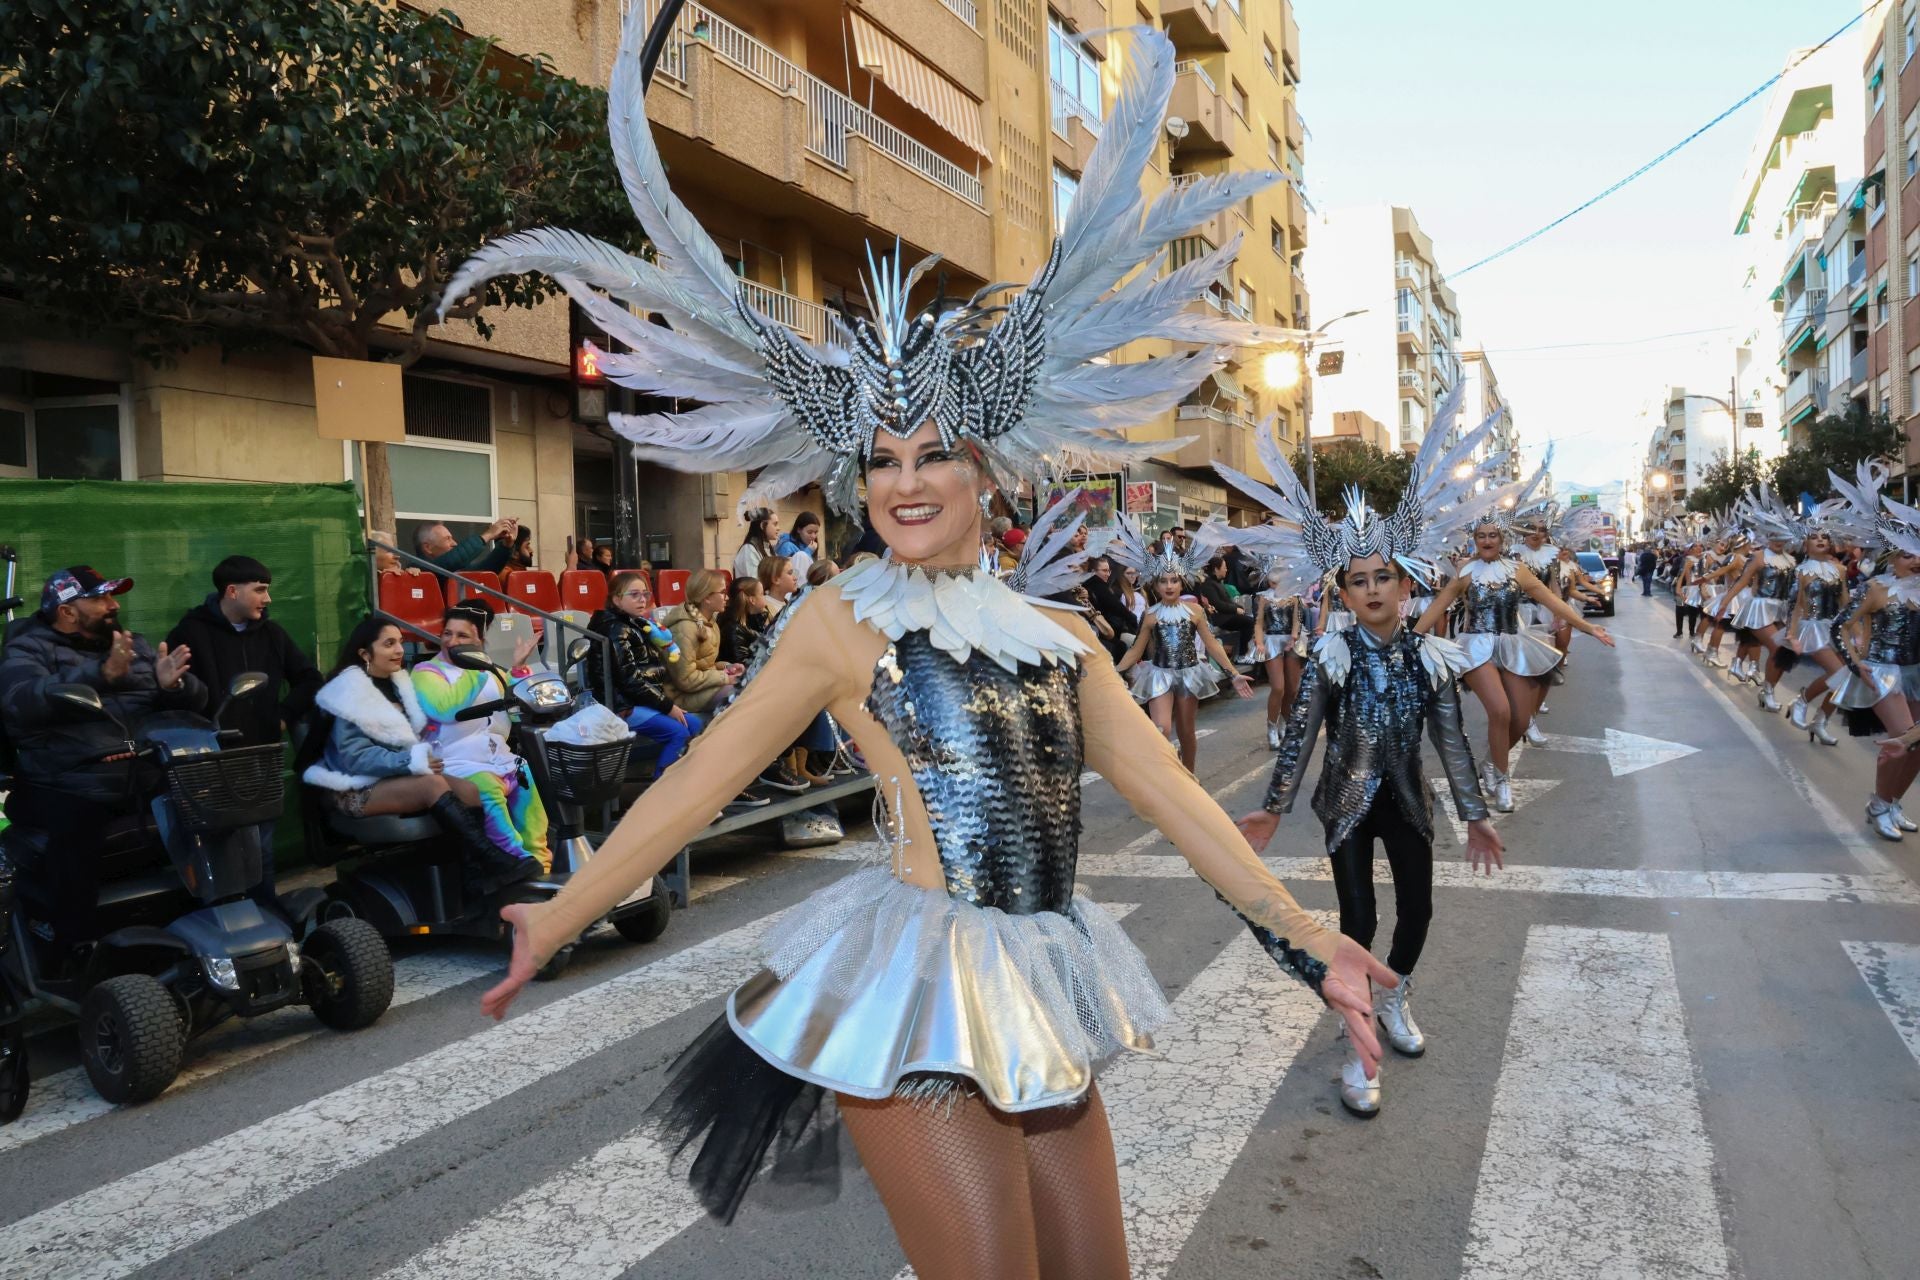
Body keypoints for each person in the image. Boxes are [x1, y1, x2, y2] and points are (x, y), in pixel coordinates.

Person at [451, 24, 1395, 1273]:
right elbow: (700, 778)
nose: (905, 479)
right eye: (881, 458)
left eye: (934, 450)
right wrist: (561, 910)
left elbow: (1178, 800)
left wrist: (1309, 940)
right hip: (914, 996)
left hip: (1043, 984)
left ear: (988, 466)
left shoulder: (1060, 636)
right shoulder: (844, 621)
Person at [0, 566, 204, 952]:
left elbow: (198, 700)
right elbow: (20, 702)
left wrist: (173, 686)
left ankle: (214, 919)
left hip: (139, 773)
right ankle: (74, 947)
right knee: (77, 821)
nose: (113, 605)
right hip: (64, 780)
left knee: (210, 800)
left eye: (113, 596)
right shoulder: (26, 649)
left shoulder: (133, 645)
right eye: (99, 598)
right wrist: (99, 674)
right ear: (67, 611)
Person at [299, 615, 530, 890]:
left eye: (400, 642)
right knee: (431, 785)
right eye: (388, 644)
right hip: (355, 786)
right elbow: (355, 758)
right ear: (364, 653)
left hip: (395, 777)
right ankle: (494, 861)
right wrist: (411, 760)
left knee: (473, 791)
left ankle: (475, 877)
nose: (399, 650)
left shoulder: (400, 684)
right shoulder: (349, 693)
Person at [1414, 503, 1614, 813]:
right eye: (1481, 535)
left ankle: (1491, 763)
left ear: (1503, 538)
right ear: (1474, 539)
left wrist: (1588, 627)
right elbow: (1437, 606)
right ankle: (1503, 781)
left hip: (1512, 642)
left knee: (1521, 719)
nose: (1487, 540)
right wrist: (1410, 640)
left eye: (1493, 534)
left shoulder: (1516, 570)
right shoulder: (1466, 571)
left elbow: (1552, 601)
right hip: (1475, 647)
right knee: (1501, 711)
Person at [165, 555, 324, 904]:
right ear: (232, 591)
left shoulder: (273, 633)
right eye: (260, 590)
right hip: (210, 762)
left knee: (261, 848)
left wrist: (282, 715)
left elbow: (310, 680)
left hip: (260, 758)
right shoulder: (189, 632)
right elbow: (176, 696)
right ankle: (224, 919)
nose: (267, 599)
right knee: (218, 849)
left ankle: (265, 915)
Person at [410, 603, 553, 874]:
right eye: (447, 633)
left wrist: (518, 668)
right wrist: (474, 667)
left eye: (463, 636)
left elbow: (508, 707)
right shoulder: (426, 672)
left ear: (480, 641)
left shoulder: (489, 670)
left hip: (501, 758)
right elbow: (446, 708)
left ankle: (542, 866)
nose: (452, 641)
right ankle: (520, 868)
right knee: (491, 800)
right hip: (455, 765)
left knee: (532, 798)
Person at [1111, 520, 1253, 771]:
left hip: (1189, 673)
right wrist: (1114, 673)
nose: (1169, 586)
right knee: (1161, 728)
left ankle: (1189, 775)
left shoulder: (1195, 611)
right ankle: (1168, 775)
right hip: (1159, 674)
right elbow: (1135, 649)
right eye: (1163, 581)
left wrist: (1233, 673)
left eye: (1174, 580)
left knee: (1187, 732)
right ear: (1155, 585)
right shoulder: (1151, 615)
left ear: (1181, 583)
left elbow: (1212, 644)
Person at [661, 568, 743, 715]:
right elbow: (685, 679)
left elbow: (705, 666)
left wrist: (728, 667)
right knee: (740, 693)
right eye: (723, 592)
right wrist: (724, 677)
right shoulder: (684, 629)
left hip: (698, 689)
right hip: (681, 696)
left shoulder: (709, 622)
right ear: (707, 597)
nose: (727, 598)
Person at [1196, 554, 1254, 660]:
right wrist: (1236, 609)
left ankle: (1242, 651)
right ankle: (1241, 654)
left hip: (1227, 615)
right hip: (1221, 619)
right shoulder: (1209, 585)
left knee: (1249, 619)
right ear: (1216, 569)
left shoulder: (1217, 583)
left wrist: (1239, 607)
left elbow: (1227, 601)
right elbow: (1218, 604)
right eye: (1224, 567)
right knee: (1249, 622)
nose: (1226, 570)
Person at [414, 516, 518, 575]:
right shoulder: (417, 569)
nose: (454, 543)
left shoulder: (454, 568)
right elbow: (451, 560)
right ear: (428, 548)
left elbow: (483, 571)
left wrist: (506, 546)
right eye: (447, 539)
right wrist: (488, 535)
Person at [717, 575, 770, 666]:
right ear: (752, 600)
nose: (764, 596)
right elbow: (743, 666)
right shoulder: (733, 630)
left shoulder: (757, 619)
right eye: (762, 594)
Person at [732, 509, 779, 583]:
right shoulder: (748, 550)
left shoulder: (767, 547)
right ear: (762, 525)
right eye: (775, 524)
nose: (778, 528)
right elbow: (753, 583)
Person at [775, 511, 822, 581]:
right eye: (809, 532)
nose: (813, 536)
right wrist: (808, 551)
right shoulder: (787, 546)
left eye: (816, 532)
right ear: (799, 529)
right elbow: (790, 572)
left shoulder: (808, 545)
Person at [757, 553, 800, 619]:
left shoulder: (788, 604)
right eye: (790, 573)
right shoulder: (765, 609)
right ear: (776, 580)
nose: (795, 578)